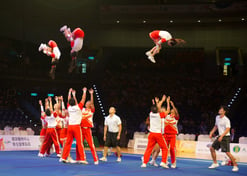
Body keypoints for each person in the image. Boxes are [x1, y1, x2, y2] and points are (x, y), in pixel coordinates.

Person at [60, 88, 87, 164]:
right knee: (79, 143)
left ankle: (64, 158)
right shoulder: (78, 107)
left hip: (70, 127)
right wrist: (84, 91)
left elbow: (68, 100)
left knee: (68, 143)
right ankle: (82, 159)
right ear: (75, 102)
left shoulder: (69, 107)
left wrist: (69, 92)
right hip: (76, 127)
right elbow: (83, 99)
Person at [208, 106, 239, 172]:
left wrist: (222, 136)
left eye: (221, 109)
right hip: (220, 136)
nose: (219, 110)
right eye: (219, 109)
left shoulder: (226, 119)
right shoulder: (217, 117)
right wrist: (211, 132)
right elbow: (216, 126)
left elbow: (228, 129)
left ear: (224, 112)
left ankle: (235, 165)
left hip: (225, 137)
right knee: (212, 148)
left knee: (227, 152)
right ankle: (215, 163)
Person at [141, 98, 169, 168]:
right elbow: (167, 111)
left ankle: (144, 163)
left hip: (151, 134)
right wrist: (163, 101)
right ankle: (163, 162)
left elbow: (155, 108)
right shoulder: (160, 115)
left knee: (148, 149)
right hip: (158, 134)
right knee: (165, 148)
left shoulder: (150, 114)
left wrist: (156, 103)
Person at [77, 88, 99, 165]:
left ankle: (95, 159)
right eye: (86, 103)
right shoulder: (82, 110)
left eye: (88, 103)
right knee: (79, 144)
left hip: (87, 130)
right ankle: (79, 158)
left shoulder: (91, 110)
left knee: (91, 145)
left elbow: (92, 103)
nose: (87, 103)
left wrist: (91, 94)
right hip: (81, 129)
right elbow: (80, 102)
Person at [163, 100, 179, 168]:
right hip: (166, 135)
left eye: (173, 112)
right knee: (165, 149)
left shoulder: (176, 118)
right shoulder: (167, 116)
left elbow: (177, 112)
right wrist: (167, 103)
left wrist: (173, 105)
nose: (172, 113)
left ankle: (173, 163)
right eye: (171, 112)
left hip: (173, 135)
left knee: (172, 148)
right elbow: (167, 110)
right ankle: (165, 161)